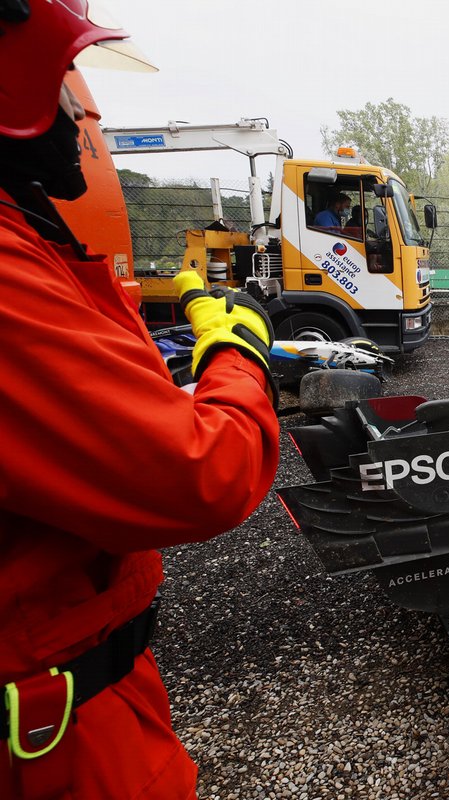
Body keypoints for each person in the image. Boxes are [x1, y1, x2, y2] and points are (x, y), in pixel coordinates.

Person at [0, 6, 280, 798]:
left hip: (67, 691)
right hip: (54, 739)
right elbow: (202, 470)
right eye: (63, 81)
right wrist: (237, 352)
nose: (80, 114)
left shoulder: (27, 239)